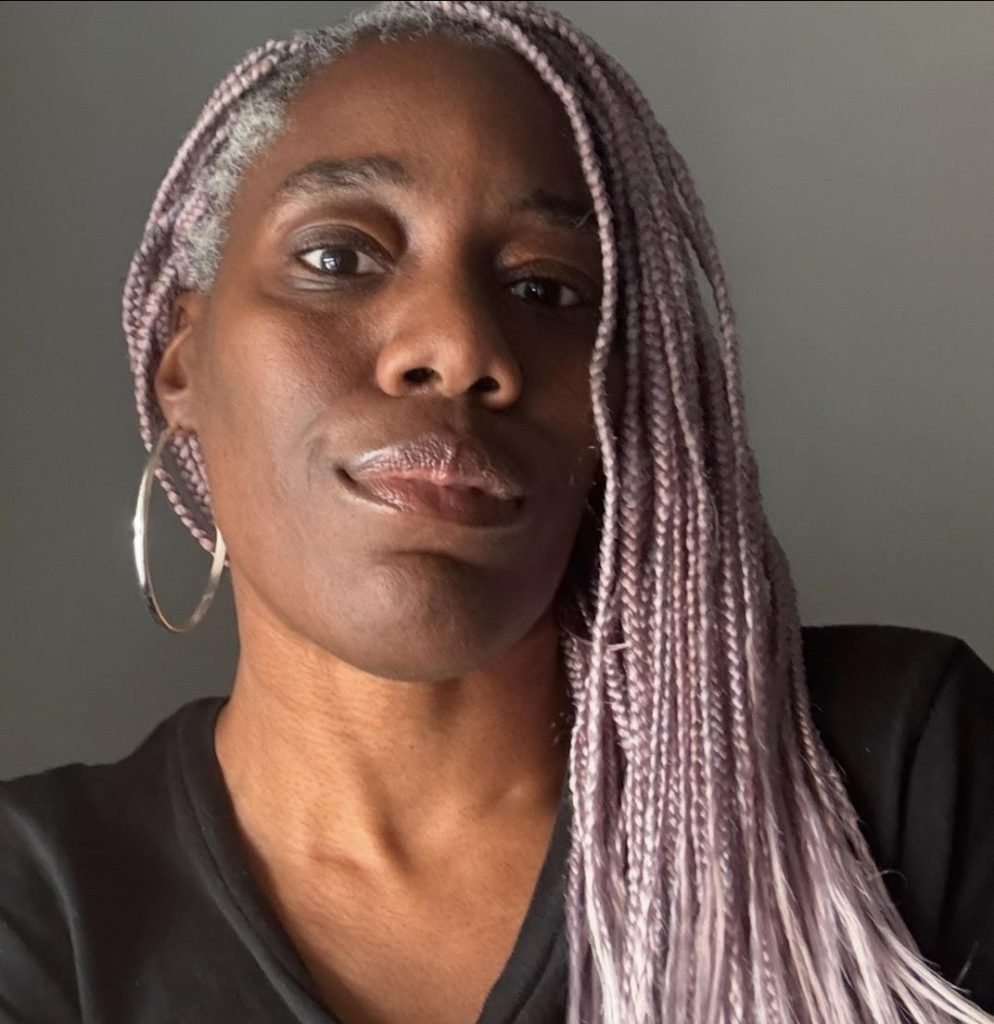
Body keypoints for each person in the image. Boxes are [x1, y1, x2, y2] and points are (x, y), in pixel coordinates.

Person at [1, 2, 992, 1022]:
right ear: (181, 361)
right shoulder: (37, 909)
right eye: (339, 256)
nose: (460, 343)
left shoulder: (901, 773)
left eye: (545, 288)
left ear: (628, 392)